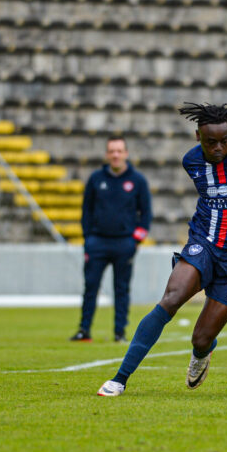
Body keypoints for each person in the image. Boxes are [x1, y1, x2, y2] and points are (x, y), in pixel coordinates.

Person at [97, 102, 227, 397]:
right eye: (210, 142)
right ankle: (120, 378)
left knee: (201, 338)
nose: (218, 148)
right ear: (197, 137)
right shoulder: (191, 161)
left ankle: (203, 352)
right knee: (171, 299)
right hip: (203, 243)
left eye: (224, 141)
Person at [70, 137, 152, 343]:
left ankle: (119, 332)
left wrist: (136, 240)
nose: (115, 155)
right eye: (111, 151)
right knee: (90, 287)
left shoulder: (137, 180)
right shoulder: (96, 178)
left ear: (125, 153)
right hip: (97, 242)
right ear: (107, 154)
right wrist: (88, 237)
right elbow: (86, 210)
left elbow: (146, 213)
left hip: (124, 243)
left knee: (121, 289)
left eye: (119, 151)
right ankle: (84, 330)